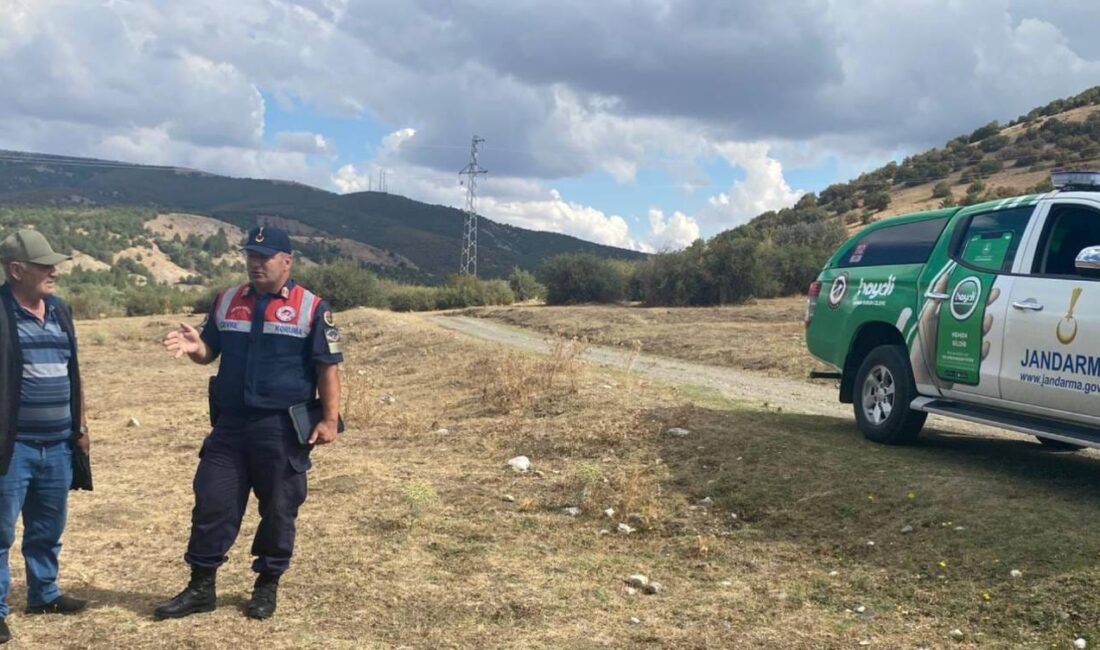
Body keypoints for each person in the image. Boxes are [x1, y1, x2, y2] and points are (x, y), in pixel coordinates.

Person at [156, 226, 342, 621]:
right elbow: (210, 352)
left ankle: (266, 585)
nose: (255, 263)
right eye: (251, 256)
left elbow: (328, 368)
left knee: (278, 509)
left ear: (287, 261)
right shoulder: (226, 301)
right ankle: (201, 587)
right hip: (230, 426)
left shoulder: (312, 307)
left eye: (265, 256)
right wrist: (195, 348)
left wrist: (328, 419)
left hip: (281, 429)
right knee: (212, 502)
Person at [0, 230, 90, 644]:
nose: (54, 271)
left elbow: (74, 375)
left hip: (58, 443)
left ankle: (44, 594)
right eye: (44, 265)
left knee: (47, 527)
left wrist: (81, 429)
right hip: (11, 447)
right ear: (16, 270)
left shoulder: (59, 310)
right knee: (0, 532)